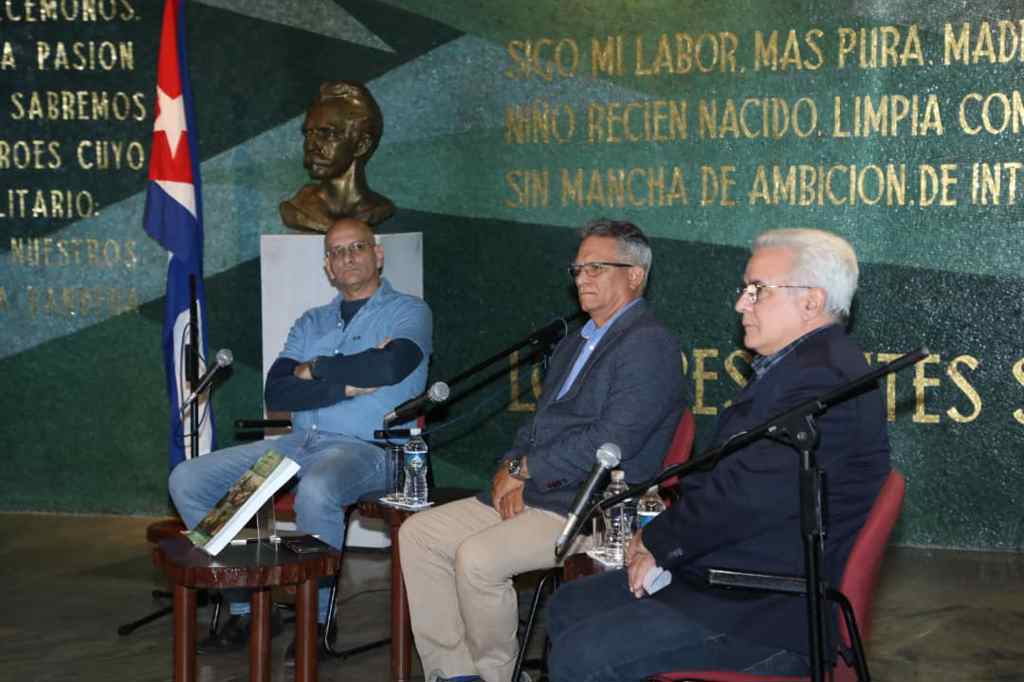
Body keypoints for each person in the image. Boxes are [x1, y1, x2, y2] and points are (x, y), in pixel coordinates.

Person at [546, 228, 891, 682]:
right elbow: (722, 481)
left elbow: (742, 500)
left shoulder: (822, 380)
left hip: (765, 610)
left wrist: (657, 542)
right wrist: (661, 544)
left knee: (583, 654)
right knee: (568, 605)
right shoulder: (797, 367)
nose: (740, 304)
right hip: (728, 577)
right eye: (744, 289)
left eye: (757, 291)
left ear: (810, 301)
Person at [399, 219, 689, 682]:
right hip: (539, 490)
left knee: (478, 559)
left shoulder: (649, 345)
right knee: (419, 534)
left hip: (591, 507)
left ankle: (499, 677)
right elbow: (539, 424)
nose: (583, 279)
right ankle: (456, 674)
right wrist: (509, 468)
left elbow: (611, 440)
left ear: (635, 275)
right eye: (578, 269)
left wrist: (527, 469)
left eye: (598, 267)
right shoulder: (577, 341)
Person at [168, 218, 431, 658]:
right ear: (327, 266)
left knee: (319, 488)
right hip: (299, 444)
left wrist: (318, 368)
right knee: (188, 481)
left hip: (372, 450)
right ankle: (246, 606)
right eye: (336, 252)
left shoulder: (409, 311)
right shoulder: (313, 321)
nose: (346, 258)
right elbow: (279, 391)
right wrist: (347, 380)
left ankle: (318, 620)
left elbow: (388, 368)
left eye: (356, 248)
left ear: (378, 254)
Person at [279, 80, 395, 232]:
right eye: (308, 134)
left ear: (361, 145)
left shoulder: (378, 209)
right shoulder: (298, 209)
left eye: (327, 134)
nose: (310, 146)